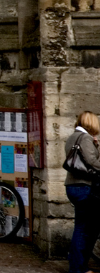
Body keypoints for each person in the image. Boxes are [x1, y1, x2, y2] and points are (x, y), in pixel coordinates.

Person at [65, 111, 100, 273]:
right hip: (84, 186)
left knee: (84, 226)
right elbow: (93, 162)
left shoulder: (74, 136)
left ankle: (79, 265)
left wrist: (96, 146)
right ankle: (78, 268)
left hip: (73, 185)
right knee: (84, 228)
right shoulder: (85, 138)